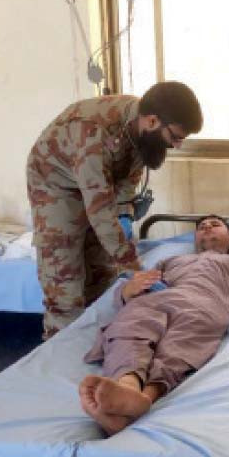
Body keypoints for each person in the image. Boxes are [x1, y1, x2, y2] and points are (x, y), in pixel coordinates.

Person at [26, 82, 203, 340]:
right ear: (153, 121)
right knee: (65, 278)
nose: (176, 146)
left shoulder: (143, 128)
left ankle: (101, 340)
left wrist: (125, 214)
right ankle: (60, 354)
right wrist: (132, 264)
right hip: (56, 185)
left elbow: (127, 179)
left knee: (102, 272)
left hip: (97, 182)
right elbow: (99, 209)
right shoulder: (94, 132)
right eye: (175, 137)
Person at [79, 215, 229, 435]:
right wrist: (129, 289)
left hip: (204, 304)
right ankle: (127, 388)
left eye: (215, 225)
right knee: (129, 327)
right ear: (195, 238)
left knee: (176, 347)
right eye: (201, 227)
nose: (207, 228)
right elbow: (140, 286)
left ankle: (143, 398)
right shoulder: (170, 261)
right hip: (157, 300)